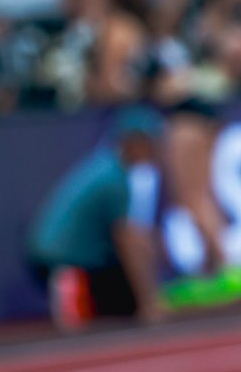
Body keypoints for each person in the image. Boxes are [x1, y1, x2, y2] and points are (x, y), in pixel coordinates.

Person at [27, 107, 165, 328]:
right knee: (124, 301)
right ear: (133, 142)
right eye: (151, 143)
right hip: (64, 261)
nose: (156, 150)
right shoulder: (114, 180)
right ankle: (71, 289)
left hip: (56, 255)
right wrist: (148, 302)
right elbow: (128, 241)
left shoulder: (106, 166)